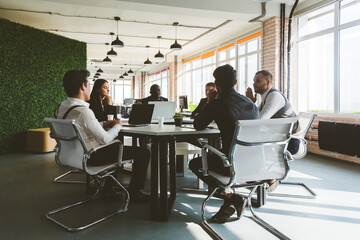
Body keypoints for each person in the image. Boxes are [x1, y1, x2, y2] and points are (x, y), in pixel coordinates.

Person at [55, 70, 150, 203]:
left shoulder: (62, 107)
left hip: (73, 155)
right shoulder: (84, 111)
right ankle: (135, 193)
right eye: (88, 85)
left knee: (116, 147)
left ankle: (109, 189)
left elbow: (81, 126)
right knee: (143, 152)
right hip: (93, 156)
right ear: (83, 86)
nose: (89, 88)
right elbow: (105, 139)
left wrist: (104, 123)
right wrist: (118, 126)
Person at [189, 64, 259, 223]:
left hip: (229, 164)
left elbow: (198, 125)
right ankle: (230, 201)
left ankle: (232, 197)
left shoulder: (216, 103)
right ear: (235, 82)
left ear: (217, 84)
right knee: (220, 153)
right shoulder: (250, 103)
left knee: (195, 163)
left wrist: (209, 101)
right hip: (255, 162)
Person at [245, 70, 300, 192]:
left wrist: (250, 102)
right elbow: (255, 119)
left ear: (268, 82)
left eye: (258, 81)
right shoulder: (266, 97)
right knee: (247, 142)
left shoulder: (274, 96)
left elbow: (259, 120)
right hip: (277, 138)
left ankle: (270, 178)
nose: (254, 84)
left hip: (289, 142)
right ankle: (258, 176)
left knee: (249, 144)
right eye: (254, 81)